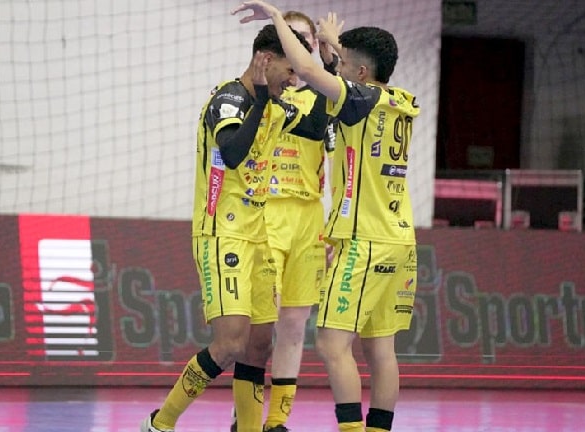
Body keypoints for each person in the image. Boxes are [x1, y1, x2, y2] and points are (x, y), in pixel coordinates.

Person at [232, 2, 421, 432]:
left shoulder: (355, 101)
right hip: (401, 240)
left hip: (364, 240)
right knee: (382, 350)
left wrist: (277, 19)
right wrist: (335, 46)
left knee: (333, 344)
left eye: (345, 67)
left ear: (357, 75)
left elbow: (313, 71)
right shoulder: (399, 101)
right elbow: (349, 73)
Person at [140, 24, 326, 432]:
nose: (293, 82)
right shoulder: (229, 99)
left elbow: (317, 128)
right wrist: (261, 101)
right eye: (289, 71)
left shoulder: (277, 102)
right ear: (265, 60)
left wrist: (328, 66)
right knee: (230, 344)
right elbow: (235, 153)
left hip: (258, 235)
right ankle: (160, 422)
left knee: (259, 345)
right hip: (222, 235)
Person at [228, 10, 339, 432]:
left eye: (306, 40)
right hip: (266, 209)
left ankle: (277, 420)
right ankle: (246, 416)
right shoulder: (266, 89)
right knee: (260, 325)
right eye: (291, 38)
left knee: (294, 324)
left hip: (308, 215)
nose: (300, 46)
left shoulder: (325, 94)